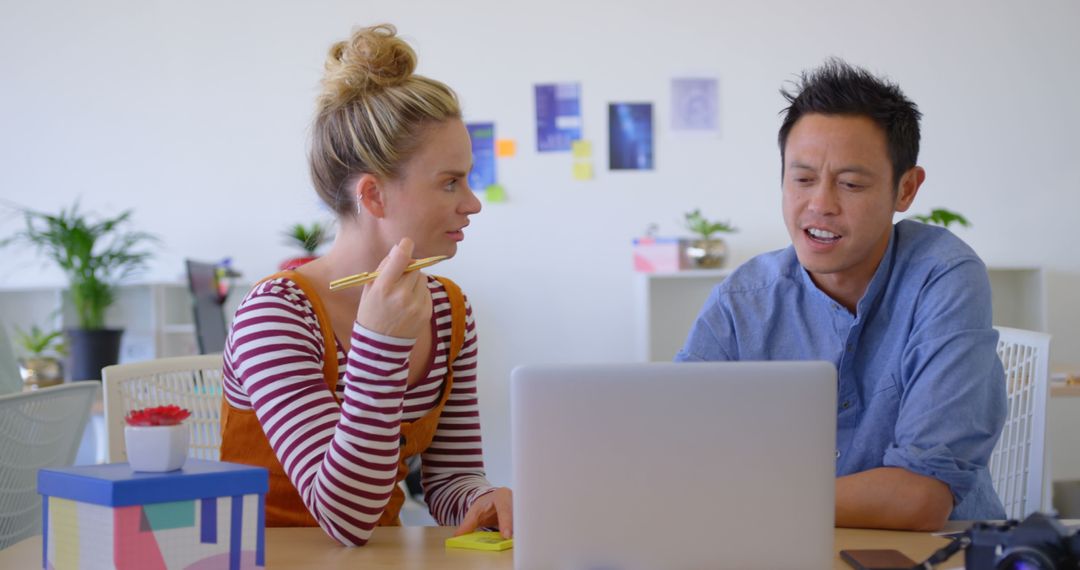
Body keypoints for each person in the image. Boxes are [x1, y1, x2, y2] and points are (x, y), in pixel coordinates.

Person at [676, 59, 1006, 531]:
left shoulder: (943, 276)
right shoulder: (743, 301)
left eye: (851, 184)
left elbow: (919, 498)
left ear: (906, 188)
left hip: (934, 552)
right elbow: (673, 454)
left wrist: (739, 499)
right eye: (802, 179)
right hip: (779, 549)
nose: (820, 205)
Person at [219, 24, 511, 546]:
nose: (472, 203)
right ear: (374, 196)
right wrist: (382, 348)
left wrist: (482, 498)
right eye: (450, 182)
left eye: (468, 179)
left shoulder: (449, 309)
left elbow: (447, 480)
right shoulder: (276, 314)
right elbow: (345, 519)